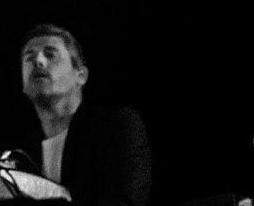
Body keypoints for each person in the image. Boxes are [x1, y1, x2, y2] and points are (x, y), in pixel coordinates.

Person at [15, 24, 152, 205]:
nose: (38, 61)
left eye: (50, 54)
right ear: (23, 84)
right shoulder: (17, 154)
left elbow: (125, 199)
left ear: (81, 75)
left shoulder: (116, 126)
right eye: (29, 57)